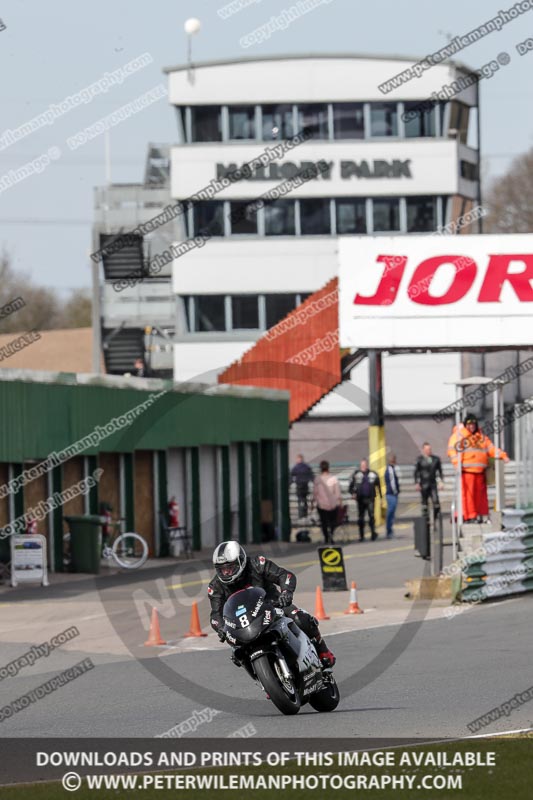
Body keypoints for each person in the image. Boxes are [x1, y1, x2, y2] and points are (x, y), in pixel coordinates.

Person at [208, 540, 335, 667]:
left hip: (273, 605)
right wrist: (221, 628)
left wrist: (286, 593)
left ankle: (323, 650)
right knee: (237, 653)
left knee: (300, 618)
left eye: (230, 568)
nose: (226, 573)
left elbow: (284, 575)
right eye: (222, 569)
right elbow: (215, 614)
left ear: (241, 561)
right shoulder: (216, 586)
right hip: (243, 621)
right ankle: (262, 676)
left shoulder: (257, 564)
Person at [447, 413, 509, 523]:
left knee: (480, 497)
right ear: (465, 425)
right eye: (469, 424)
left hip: (480, 472)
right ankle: (470, 516)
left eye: (473, 424)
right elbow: (452, 451)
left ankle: (481, 515)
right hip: (467, 471)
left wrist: (503, 455)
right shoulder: (459, 436)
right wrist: (457, 464)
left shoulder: (481, 437)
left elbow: (491, 449)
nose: (472, 427)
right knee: (468, 496)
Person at [349, 459, 382, 541]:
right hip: (360, 499)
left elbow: (378, 485)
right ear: (360, 466)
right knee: (361, 518)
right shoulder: (356, 475)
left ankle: (373, 534)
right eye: (362, 465)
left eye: (364, 465)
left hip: (370, 499)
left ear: (367, 465)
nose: (363, 467)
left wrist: (381, 497)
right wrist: (353, 493)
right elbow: (350, 487)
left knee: (371, 516)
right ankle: (361, 535)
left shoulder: (373, 474)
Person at [414, 442, 444, 526]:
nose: (428, 451)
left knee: (436, 503)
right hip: (424, 484)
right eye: (426, 449)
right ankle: (426, 521)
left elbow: (439, 471)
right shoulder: (419, 459)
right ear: (423, 450)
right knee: (424, 504)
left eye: (429, 449)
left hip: (433, 484)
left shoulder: (436, 459)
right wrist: (417, 483)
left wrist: (440, 482)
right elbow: (416, 472)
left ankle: (434, 519)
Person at [312, 460, 342, 544]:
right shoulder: (333, 478)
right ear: (328, 468)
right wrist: (340, 503)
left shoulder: (317, 479)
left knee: (323, 522)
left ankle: (326, 537)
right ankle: (331, 535)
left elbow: (315, 493)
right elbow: (337, 493)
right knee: (333, 521)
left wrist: (312, 503)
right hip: (332, 505)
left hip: (321, 505)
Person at [384, 453, 400, 539]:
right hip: (391, 494)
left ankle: (390, 530)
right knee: (391, 512)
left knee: (391, 512)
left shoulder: (391, 469)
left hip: (391, 494)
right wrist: (395, 491)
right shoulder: (390, 470)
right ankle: (389, 531)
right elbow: (392, 482)